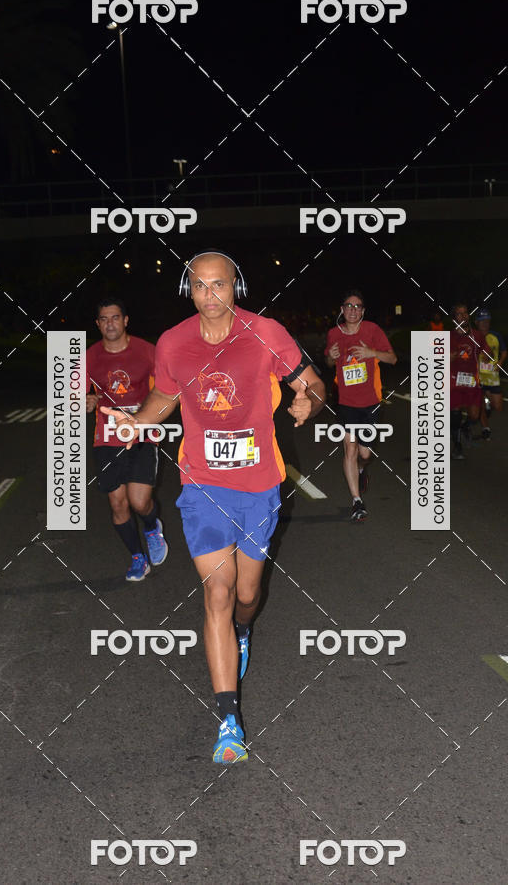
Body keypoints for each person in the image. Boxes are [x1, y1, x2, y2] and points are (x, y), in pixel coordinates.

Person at [102, 251, 326, 764]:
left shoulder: (266, 332)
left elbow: (312, 382)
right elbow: (164, 395)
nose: (210, 295)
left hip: (258, 486)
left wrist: (307, 402)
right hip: (202, 487)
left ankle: (244, 631)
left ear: (235, 286)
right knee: (217, 594)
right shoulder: (174, 342)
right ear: (190, 291)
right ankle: (229, 720)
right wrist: (138, 422)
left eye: (219, 284)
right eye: (200, 286)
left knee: (248, 594)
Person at [86, 297, 168, 582]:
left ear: (125, 320)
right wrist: (85, 400)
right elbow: (74, 397)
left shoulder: (147, 351)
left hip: (141, 433)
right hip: (106, 438)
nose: (110, 323)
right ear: (98, 324)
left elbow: (165, 392)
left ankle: (151, 525)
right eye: (104, 319)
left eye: (115, 318)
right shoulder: (88, 357)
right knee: (118, 504)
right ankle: (137, 557)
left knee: (138, 501)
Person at [324, 290, 397, 521]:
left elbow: (392, 358)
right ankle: (357, 501)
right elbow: (328, 360)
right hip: (346, 403)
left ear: (363, 311)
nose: (353, 310)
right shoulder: (334, 333)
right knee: (350, 449)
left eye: (358, 307)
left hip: (370, 402)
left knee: (365, 453)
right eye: (349, 306)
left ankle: (363, 468)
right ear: (342, 310)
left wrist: (371, 352)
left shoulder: (372, 330)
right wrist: (331, 356)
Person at [449, 304, 488, 459]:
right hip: (454, 381)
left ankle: (465, 427)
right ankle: (457, 446)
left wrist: (487, 358)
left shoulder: (477, 335)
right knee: (456, 413)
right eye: (459, 314)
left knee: (474, 415)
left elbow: (485, 352)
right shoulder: (448, 337)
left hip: (472, 380)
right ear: (454, 318)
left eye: (465, 313)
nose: (463, 316)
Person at [474, 308, 507, 440]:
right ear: (477, 322)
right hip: (478, 376)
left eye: (487, 321)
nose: (485, 323)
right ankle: (485, 428)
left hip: (493, 376)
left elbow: (504, 352)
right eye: (482, 321)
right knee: (479, 403)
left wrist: (501, 362)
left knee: (498, 407)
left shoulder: (496, 336)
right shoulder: (472, 336)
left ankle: (488, 403)